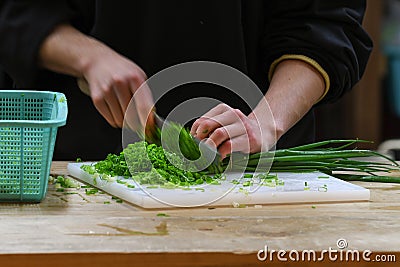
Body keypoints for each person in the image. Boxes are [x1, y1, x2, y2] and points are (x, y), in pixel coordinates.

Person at [0, 0, 372, 160]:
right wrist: (88, 57)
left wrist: (266, 121)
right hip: (84, 171)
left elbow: (324, 24)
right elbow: (16, 11)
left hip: (259, 178)